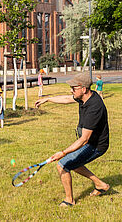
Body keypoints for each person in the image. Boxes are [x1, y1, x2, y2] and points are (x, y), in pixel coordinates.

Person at [35, 73, 110, 207]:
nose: (71, 91)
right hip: (89, 141)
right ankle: (100, 184)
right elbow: (66, 98)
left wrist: (62, 153)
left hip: (95, 145)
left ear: (84, 89)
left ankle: (69, 200)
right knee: (73, 162)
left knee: (63, 165)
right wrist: (48, 99)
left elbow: (84, 139)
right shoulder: (84, 97)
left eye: (73, 88)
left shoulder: (94, 107)